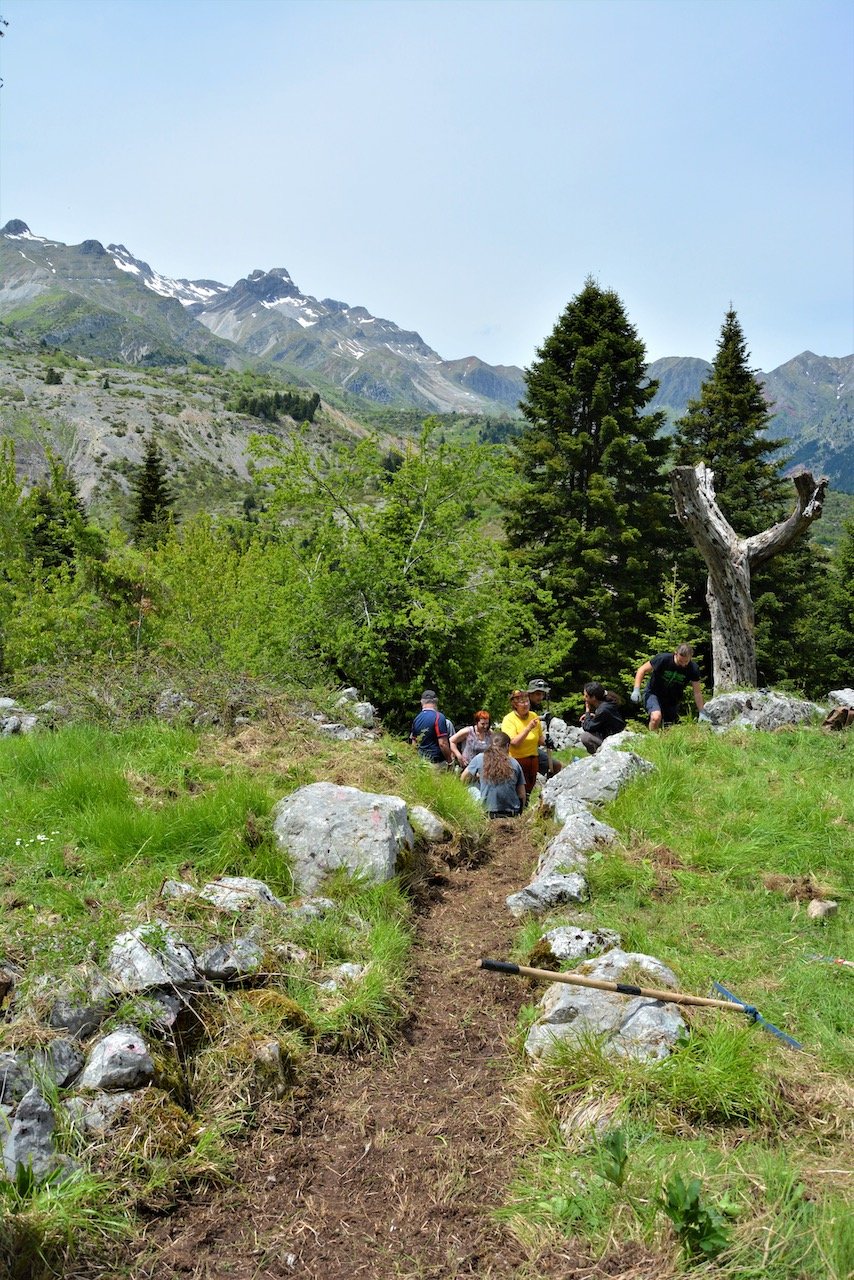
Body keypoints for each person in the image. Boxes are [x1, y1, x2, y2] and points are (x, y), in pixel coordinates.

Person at [631, 644, 705, 731]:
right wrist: (636, 690)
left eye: (686, 662)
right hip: (653, 693)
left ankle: (657, 743)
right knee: (656, 717)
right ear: (675, 654)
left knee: (667, 728)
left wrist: (702, 711)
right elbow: (642, 670)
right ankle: (652, 738)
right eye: (681, 661)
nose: (683, 664)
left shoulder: (693, 668)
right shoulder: (663, 659)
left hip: (672, 700)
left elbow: (697, 692)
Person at [461, 731, 526, 818]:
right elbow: (522, 794)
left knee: (470, 787)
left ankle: (476, 810)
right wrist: (520, 813)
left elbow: (463, 778)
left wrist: (477, 777)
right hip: (511, 812)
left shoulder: (480, 758)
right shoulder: (514, 763)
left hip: (488, 812)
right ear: (507, 746)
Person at [501, 689, 543, 796]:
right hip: (516, 760)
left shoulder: (533, 716)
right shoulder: (509, 719)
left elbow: (540, 739)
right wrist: (528, 728)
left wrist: (547, 741)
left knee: (529, 787)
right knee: (518, 789)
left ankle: (526, 804)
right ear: (515, 704)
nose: (525, 704)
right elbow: (514, 742)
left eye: (527, 701)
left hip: (533, 758)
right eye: (521, 702)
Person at [526, 678, 563, 778]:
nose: (541, 697)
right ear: (530, 694)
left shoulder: (532, 707)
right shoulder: (525, 707)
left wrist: (546, 741)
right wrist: (541, 718)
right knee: (556, 766)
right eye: (538, 694)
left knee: (556, 766)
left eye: (542, 694)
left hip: (532, 747)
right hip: (524, 750)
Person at [579, 682, 626, 754]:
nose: (584, 698)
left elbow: (588, 727)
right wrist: (594, 716)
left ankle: (599, 755)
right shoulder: (608, 703)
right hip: (614, 734)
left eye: (586, 696)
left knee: (586, 737)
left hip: (613, 739)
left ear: (594, 697)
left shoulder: (603, 709)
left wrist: (587, 711)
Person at [409, 690, 453, 764]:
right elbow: (442, 743)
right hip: (436, 763)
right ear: (436, 702)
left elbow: (414, 744)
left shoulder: (417, 718)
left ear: (422, 702)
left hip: (421, 763)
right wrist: (450, 761)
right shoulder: (438, 717)